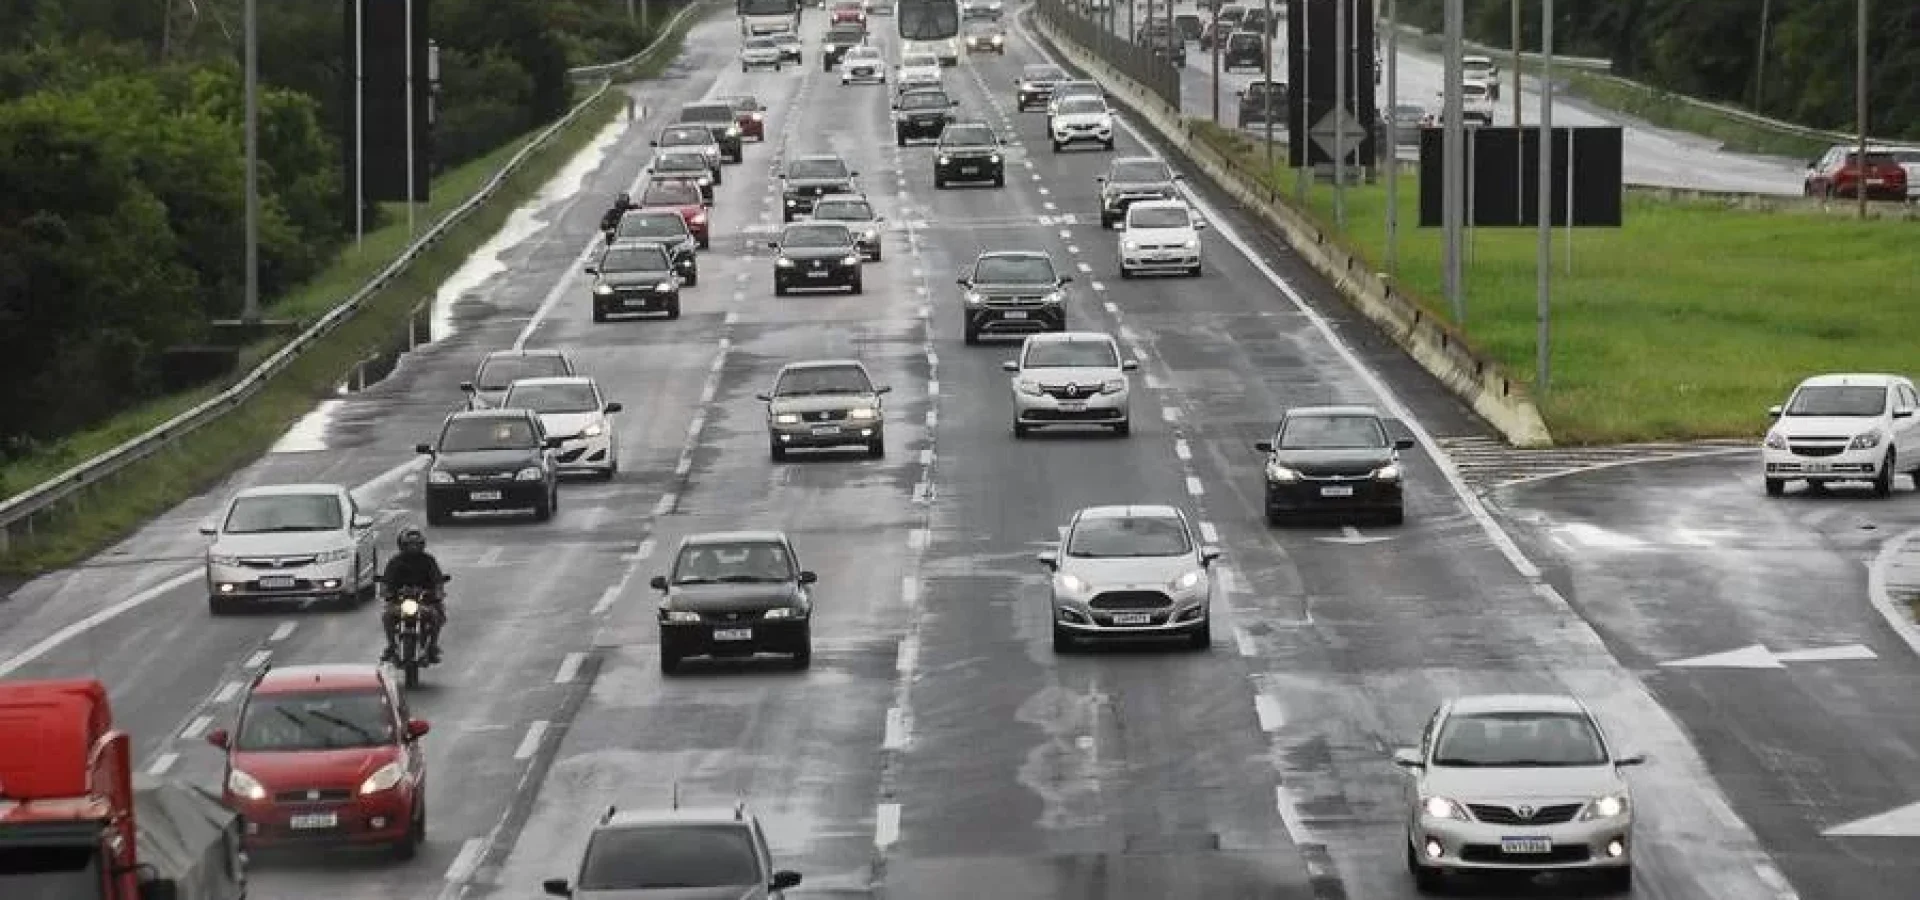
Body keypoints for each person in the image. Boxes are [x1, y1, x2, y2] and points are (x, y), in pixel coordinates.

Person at [381, 527, 447, 664]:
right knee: (387, 616)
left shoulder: (429, 560)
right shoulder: (395, 561)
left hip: (425, 601)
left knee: (436, 615)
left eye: (417, 544)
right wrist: (386, 592)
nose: (413, 548)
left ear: (422, 545)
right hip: (400, 601)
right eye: (410, 545)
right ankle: (392, 645)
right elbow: (386, 581)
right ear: (402, 545)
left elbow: (437, 579)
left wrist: (438, 592)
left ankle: (433, 645)